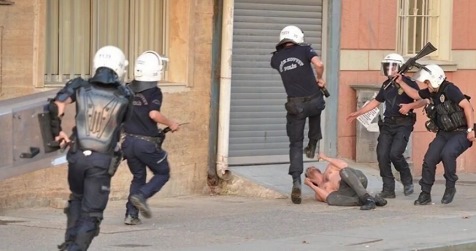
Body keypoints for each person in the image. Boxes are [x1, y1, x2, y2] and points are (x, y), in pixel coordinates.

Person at [51, 46, 133, 250]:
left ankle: (69, 244)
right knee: (92, 215)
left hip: (77, 157)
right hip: (101, 161)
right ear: (120, 67)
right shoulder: (126, 94)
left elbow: (57, 104)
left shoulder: (79, 86)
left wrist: (56, 131)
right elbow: (126, 123)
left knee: (77, 200)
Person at [346, 53, 427, 199]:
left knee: (395, 154)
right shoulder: (386, 85)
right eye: (386, 66)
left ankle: (407, 180)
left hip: (404, 123)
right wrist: (357, 113)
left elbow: (421, 99)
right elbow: (376, 102)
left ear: (399, 67)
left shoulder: (409, 82)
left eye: (392, 66)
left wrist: (409, 105)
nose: (388, 69)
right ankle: (388, 188)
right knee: (382, 155)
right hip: (388, 124)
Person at [395, 64, 474, 205]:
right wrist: (400, 82)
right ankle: (425, 194)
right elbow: (414, 94)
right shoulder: (432, 92)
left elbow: (467, 106)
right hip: (444, 133)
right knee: (429, 159)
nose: (426, 85)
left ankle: (450, 187)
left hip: (461, 132)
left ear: (435, 79)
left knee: (448, 153)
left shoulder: (450, 89)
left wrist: (470, 130)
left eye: (427, 82)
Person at [270, 25, 327, 204]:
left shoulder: (276, 58)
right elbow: (319, 64)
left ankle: (296, 181)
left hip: (295, 104)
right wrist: (320, 78)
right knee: (316, 107)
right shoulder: (304, 49)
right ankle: (313, 141)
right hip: (314, 99)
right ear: (298, 37)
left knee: (295, 143)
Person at [122, 50, 180, 224]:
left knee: (138, 177)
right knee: (163, 173)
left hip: (128, 142)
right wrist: (171, 123)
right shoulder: (154, 91)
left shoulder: (126, 89)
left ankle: (131, 215)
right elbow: (154, 114)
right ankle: (142, 196)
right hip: (145, 144)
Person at [304, 153, 387, 210]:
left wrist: (325, 158)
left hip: (357, 179)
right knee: (331, 199)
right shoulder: (320, 190)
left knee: (344, 171)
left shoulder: (329, 169)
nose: (310, 168)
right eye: (307, 171)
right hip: (348, 192)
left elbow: (344, 166)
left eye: (312, 167)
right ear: (310, 179)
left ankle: (366, 197)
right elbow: (327, 197)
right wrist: (311, 185)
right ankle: (370, 200)